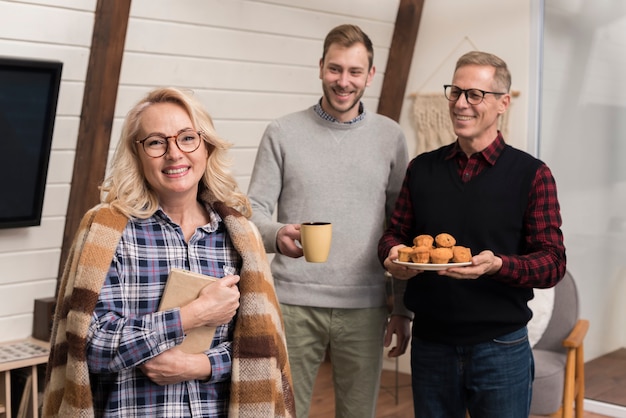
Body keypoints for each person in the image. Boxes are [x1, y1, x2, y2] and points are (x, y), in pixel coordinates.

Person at [42, 87, 295, 418]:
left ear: (206, 147)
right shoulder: (108, 232)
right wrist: (193, 315)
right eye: (156, 142)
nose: (174, 153)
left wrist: (200, 365)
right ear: (138, 154)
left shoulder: (240, 236)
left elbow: (262, 349)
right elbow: (90, 346)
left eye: (187, 138)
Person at [378, 51, 567, 418]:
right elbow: (394, 234)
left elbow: (552, 263)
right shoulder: (422, 169)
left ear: (502, 104)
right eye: (456, 92)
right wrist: (393, 257)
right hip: (431, 344)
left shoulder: (533, 175)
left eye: (474, 94)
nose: (461, 104)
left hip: (501, 347)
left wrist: (498, 265)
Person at [247, 24, 412, 418]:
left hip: (366, 306)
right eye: (335, 69)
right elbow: (253, 211)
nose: (344, 81)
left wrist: (403, 309)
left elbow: (401, 229)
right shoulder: (282, 132)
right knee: (284, 412)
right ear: (321, 67)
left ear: (370, 75)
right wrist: (277, 235)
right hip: (291, 303)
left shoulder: (391, 137)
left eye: (355, 72)